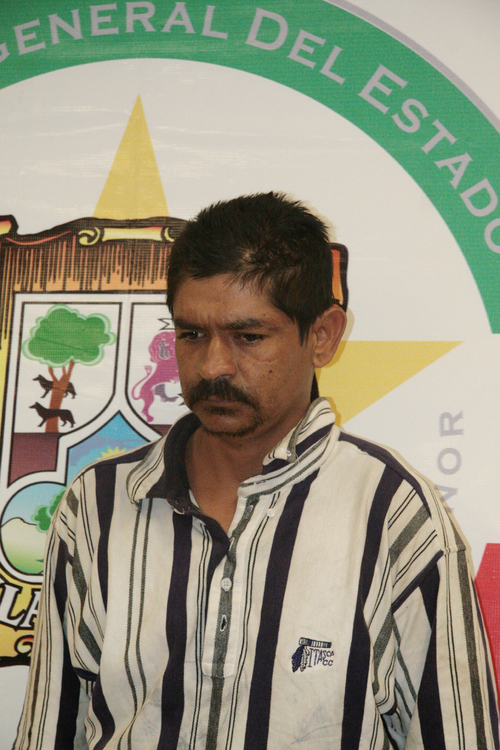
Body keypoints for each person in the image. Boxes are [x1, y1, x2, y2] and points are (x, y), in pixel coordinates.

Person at [15, 193, 498, 750]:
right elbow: (49, 730)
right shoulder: (97, 506)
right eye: (192, 334)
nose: (213, 366)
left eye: (248, 337)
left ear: (323, 335)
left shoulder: (392, 513)